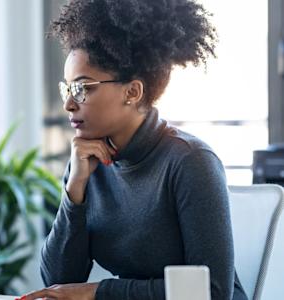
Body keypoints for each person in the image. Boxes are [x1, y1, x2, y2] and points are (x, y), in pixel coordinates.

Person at [19, 0, 248, 299]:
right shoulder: (88, 162)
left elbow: (211, 292)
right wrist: (74, 192)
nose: (68, 104)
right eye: (67, 88)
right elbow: (58, 281)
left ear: (132, 92)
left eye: (83, 88)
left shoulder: (190, 161)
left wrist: (97, 292)